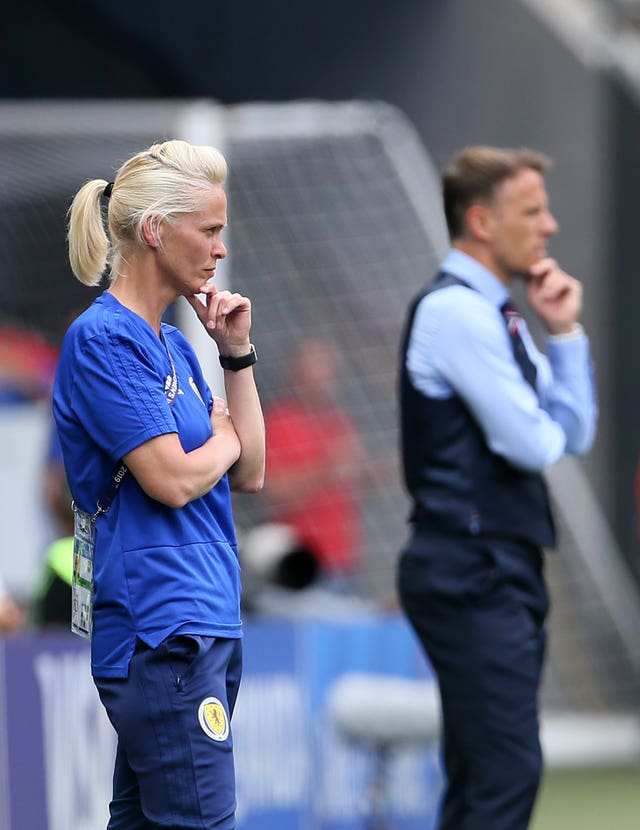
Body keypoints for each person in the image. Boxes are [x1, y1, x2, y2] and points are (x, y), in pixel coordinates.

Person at [52, 139, 265, 830]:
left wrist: (236, 354)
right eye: (207, 230)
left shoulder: (176, 344)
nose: (219, 249)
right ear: (154, 230)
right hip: (162, 631)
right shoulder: (102, 340)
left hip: (203, 621)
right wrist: (222, 439)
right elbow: (172, 480)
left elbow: (252, 469)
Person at [396, 146, 597, 830]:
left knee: (484, 774)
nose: (549, 227)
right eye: (532, 211)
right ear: (482, 221)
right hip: (470, 568)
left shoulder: (500, 314)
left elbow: (573, 434)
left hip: (494, 567)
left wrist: (564, 333)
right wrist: (544, 413)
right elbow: (533, 442)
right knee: (506, 773)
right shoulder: (457, 313)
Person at [261, 338, 364, 590]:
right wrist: (326, 470)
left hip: (342, 559)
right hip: (300, 561)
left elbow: (355, 482)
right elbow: (273, 492)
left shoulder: (338, 421)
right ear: (297, 373)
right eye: (317, 368)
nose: (325, 378)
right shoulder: (279, 421)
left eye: (329, 369)